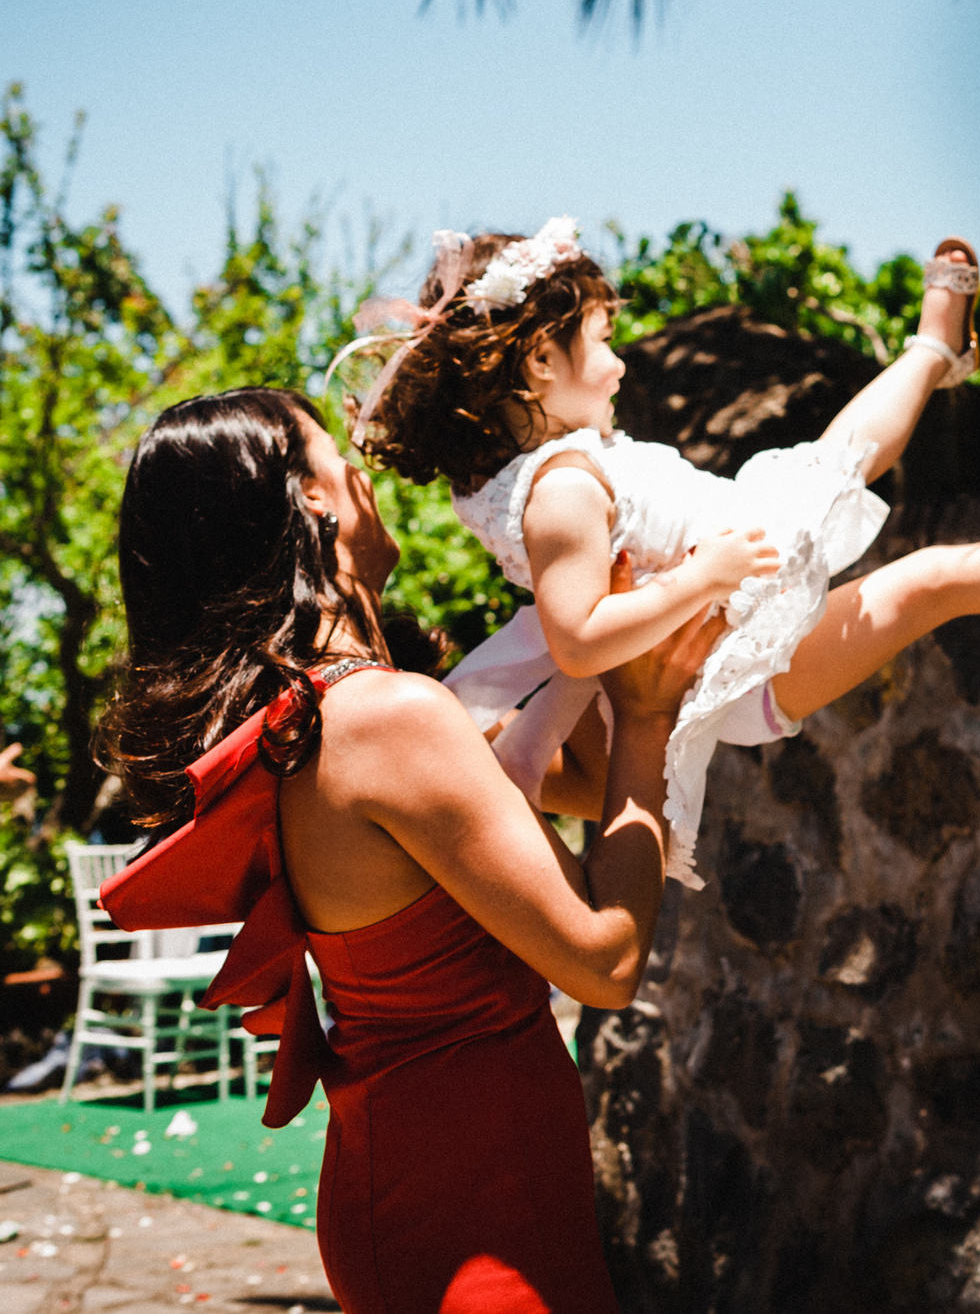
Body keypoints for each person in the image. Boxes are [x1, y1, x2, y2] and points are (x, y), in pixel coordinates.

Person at [341, 220, 980, 882]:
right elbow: (576, 639)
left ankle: (933, 349)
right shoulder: (560, 490)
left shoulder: (543, 475)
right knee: (929, 579)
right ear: (540, 363)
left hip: (742, 566)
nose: (618, 364)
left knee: (843, 454)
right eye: (604, 340)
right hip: (735, 654)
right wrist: (703, 577)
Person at [95, 387, 718, 1314]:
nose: (364, 471)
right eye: (336, 451)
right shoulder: (387, 719)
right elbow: (606, 958)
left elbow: (576, 789)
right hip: (470, 1212)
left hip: (444, 1179)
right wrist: (644, 711)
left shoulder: (320, 716)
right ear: (310, 496)